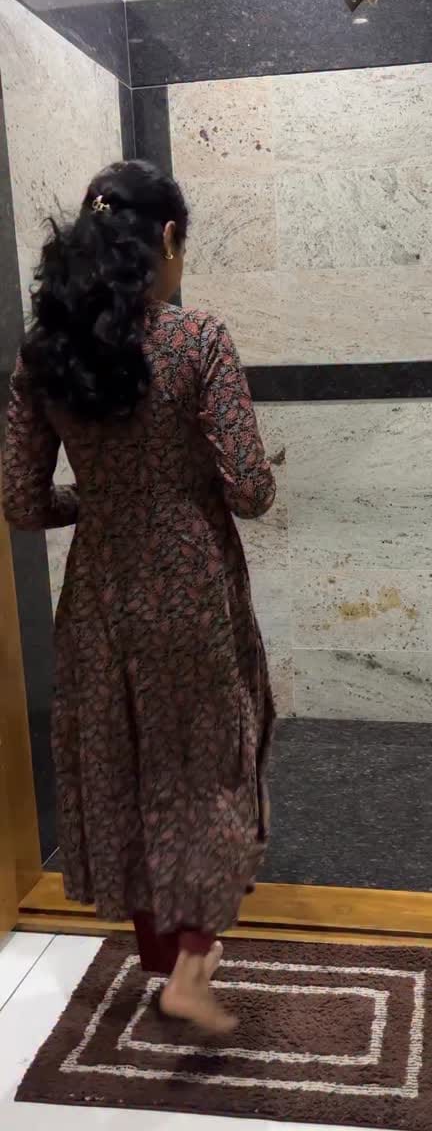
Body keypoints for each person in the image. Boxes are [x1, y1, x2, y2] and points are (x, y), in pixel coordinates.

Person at [1, 159, 276, 1034]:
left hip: (99, 596)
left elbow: (20, 503)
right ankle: (191, 965)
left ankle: (163, 957)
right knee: (205, 767)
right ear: (165, 238)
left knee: (128, 766)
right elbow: (249, 490)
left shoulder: (46, 353)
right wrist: (223, 480)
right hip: (190, 591)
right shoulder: (198, 340)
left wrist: (97, 499)